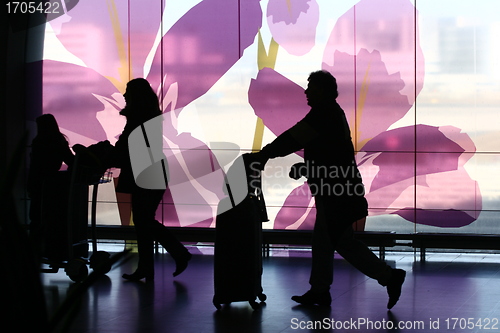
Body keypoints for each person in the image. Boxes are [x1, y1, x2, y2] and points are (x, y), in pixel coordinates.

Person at [250, 70, 406, 309]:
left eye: (310, 87)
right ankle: (375, 279)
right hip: (341, 189)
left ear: (322, 91)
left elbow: (293, 139)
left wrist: (265, 155)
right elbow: (331, 154)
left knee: (328, 241)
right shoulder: (331, 114)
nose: (306, 91)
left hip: (336, 192)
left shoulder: (323, 115)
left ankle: (336, 287)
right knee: (337, 241)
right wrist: (307, 166)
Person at [113, 78, 191, 282]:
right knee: (144, 219)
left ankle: (164, 259)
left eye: (127, 91)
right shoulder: (149, 117)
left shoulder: (137, 118)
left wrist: (106, 155)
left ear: (135, 96)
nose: (124, 95)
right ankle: (160, 261)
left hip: (145, 173)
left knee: (142, 220)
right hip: (153, 171)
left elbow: (125, 145)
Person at [27, 114, 75, 251]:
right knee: (52, 216)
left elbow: (34, 167)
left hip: (38, 181)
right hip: (54, 183)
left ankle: (35, 247)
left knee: (36, 216)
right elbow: (69, 160)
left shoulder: (38, 141)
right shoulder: (59, 140)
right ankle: (52, 247)